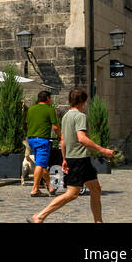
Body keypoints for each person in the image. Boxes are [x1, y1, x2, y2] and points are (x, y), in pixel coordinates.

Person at [29, 88, 115, 224]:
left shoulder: (66, 116)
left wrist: (64, 159)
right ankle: (40, 215)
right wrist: (103, 150)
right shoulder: (80, 116)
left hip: (78, 159)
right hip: (79, 159)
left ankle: (98, 221)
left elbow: (63, 140)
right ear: (83, 102)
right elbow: (82, 138)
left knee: (95, 189)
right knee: (72, 193)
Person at [25, 90, 61, 196]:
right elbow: (55, 127)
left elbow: (27, 124)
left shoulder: (31, 109)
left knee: (42, 165)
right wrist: (60, 136)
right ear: (48, 98)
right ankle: (35, 189)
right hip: (42, 140)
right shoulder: (49, 110)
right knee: (40, 164)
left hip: (31, 139)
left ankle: (50, 187)